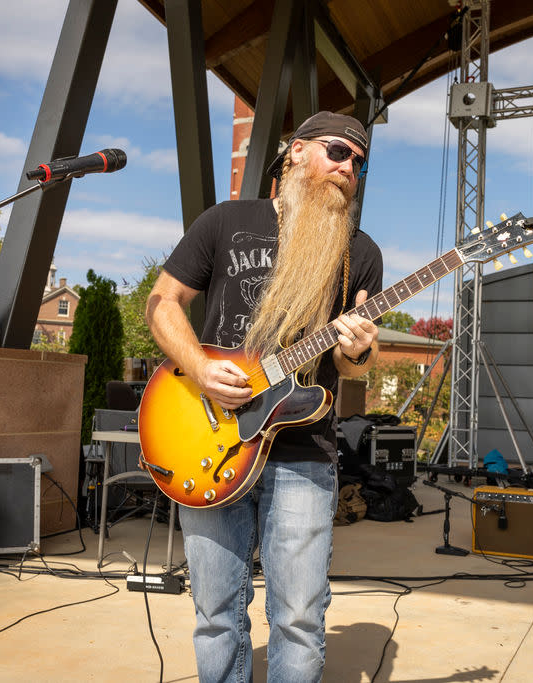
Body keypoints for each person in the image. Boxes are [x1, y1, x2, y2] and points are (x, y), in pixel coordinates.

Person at [146, 111, 382, 682]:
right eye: (336, 152)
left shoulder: (360, 250)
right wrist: (199, 367)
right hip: (213, 438)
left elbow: (350, 367)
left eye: (358, 161)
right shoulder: (225, 221)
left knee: (299, 617)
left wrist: (358, 348)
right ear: (296, 152)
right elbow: (162, 303)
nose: (348, 167)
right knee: (215, 612)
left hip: (302, 452)